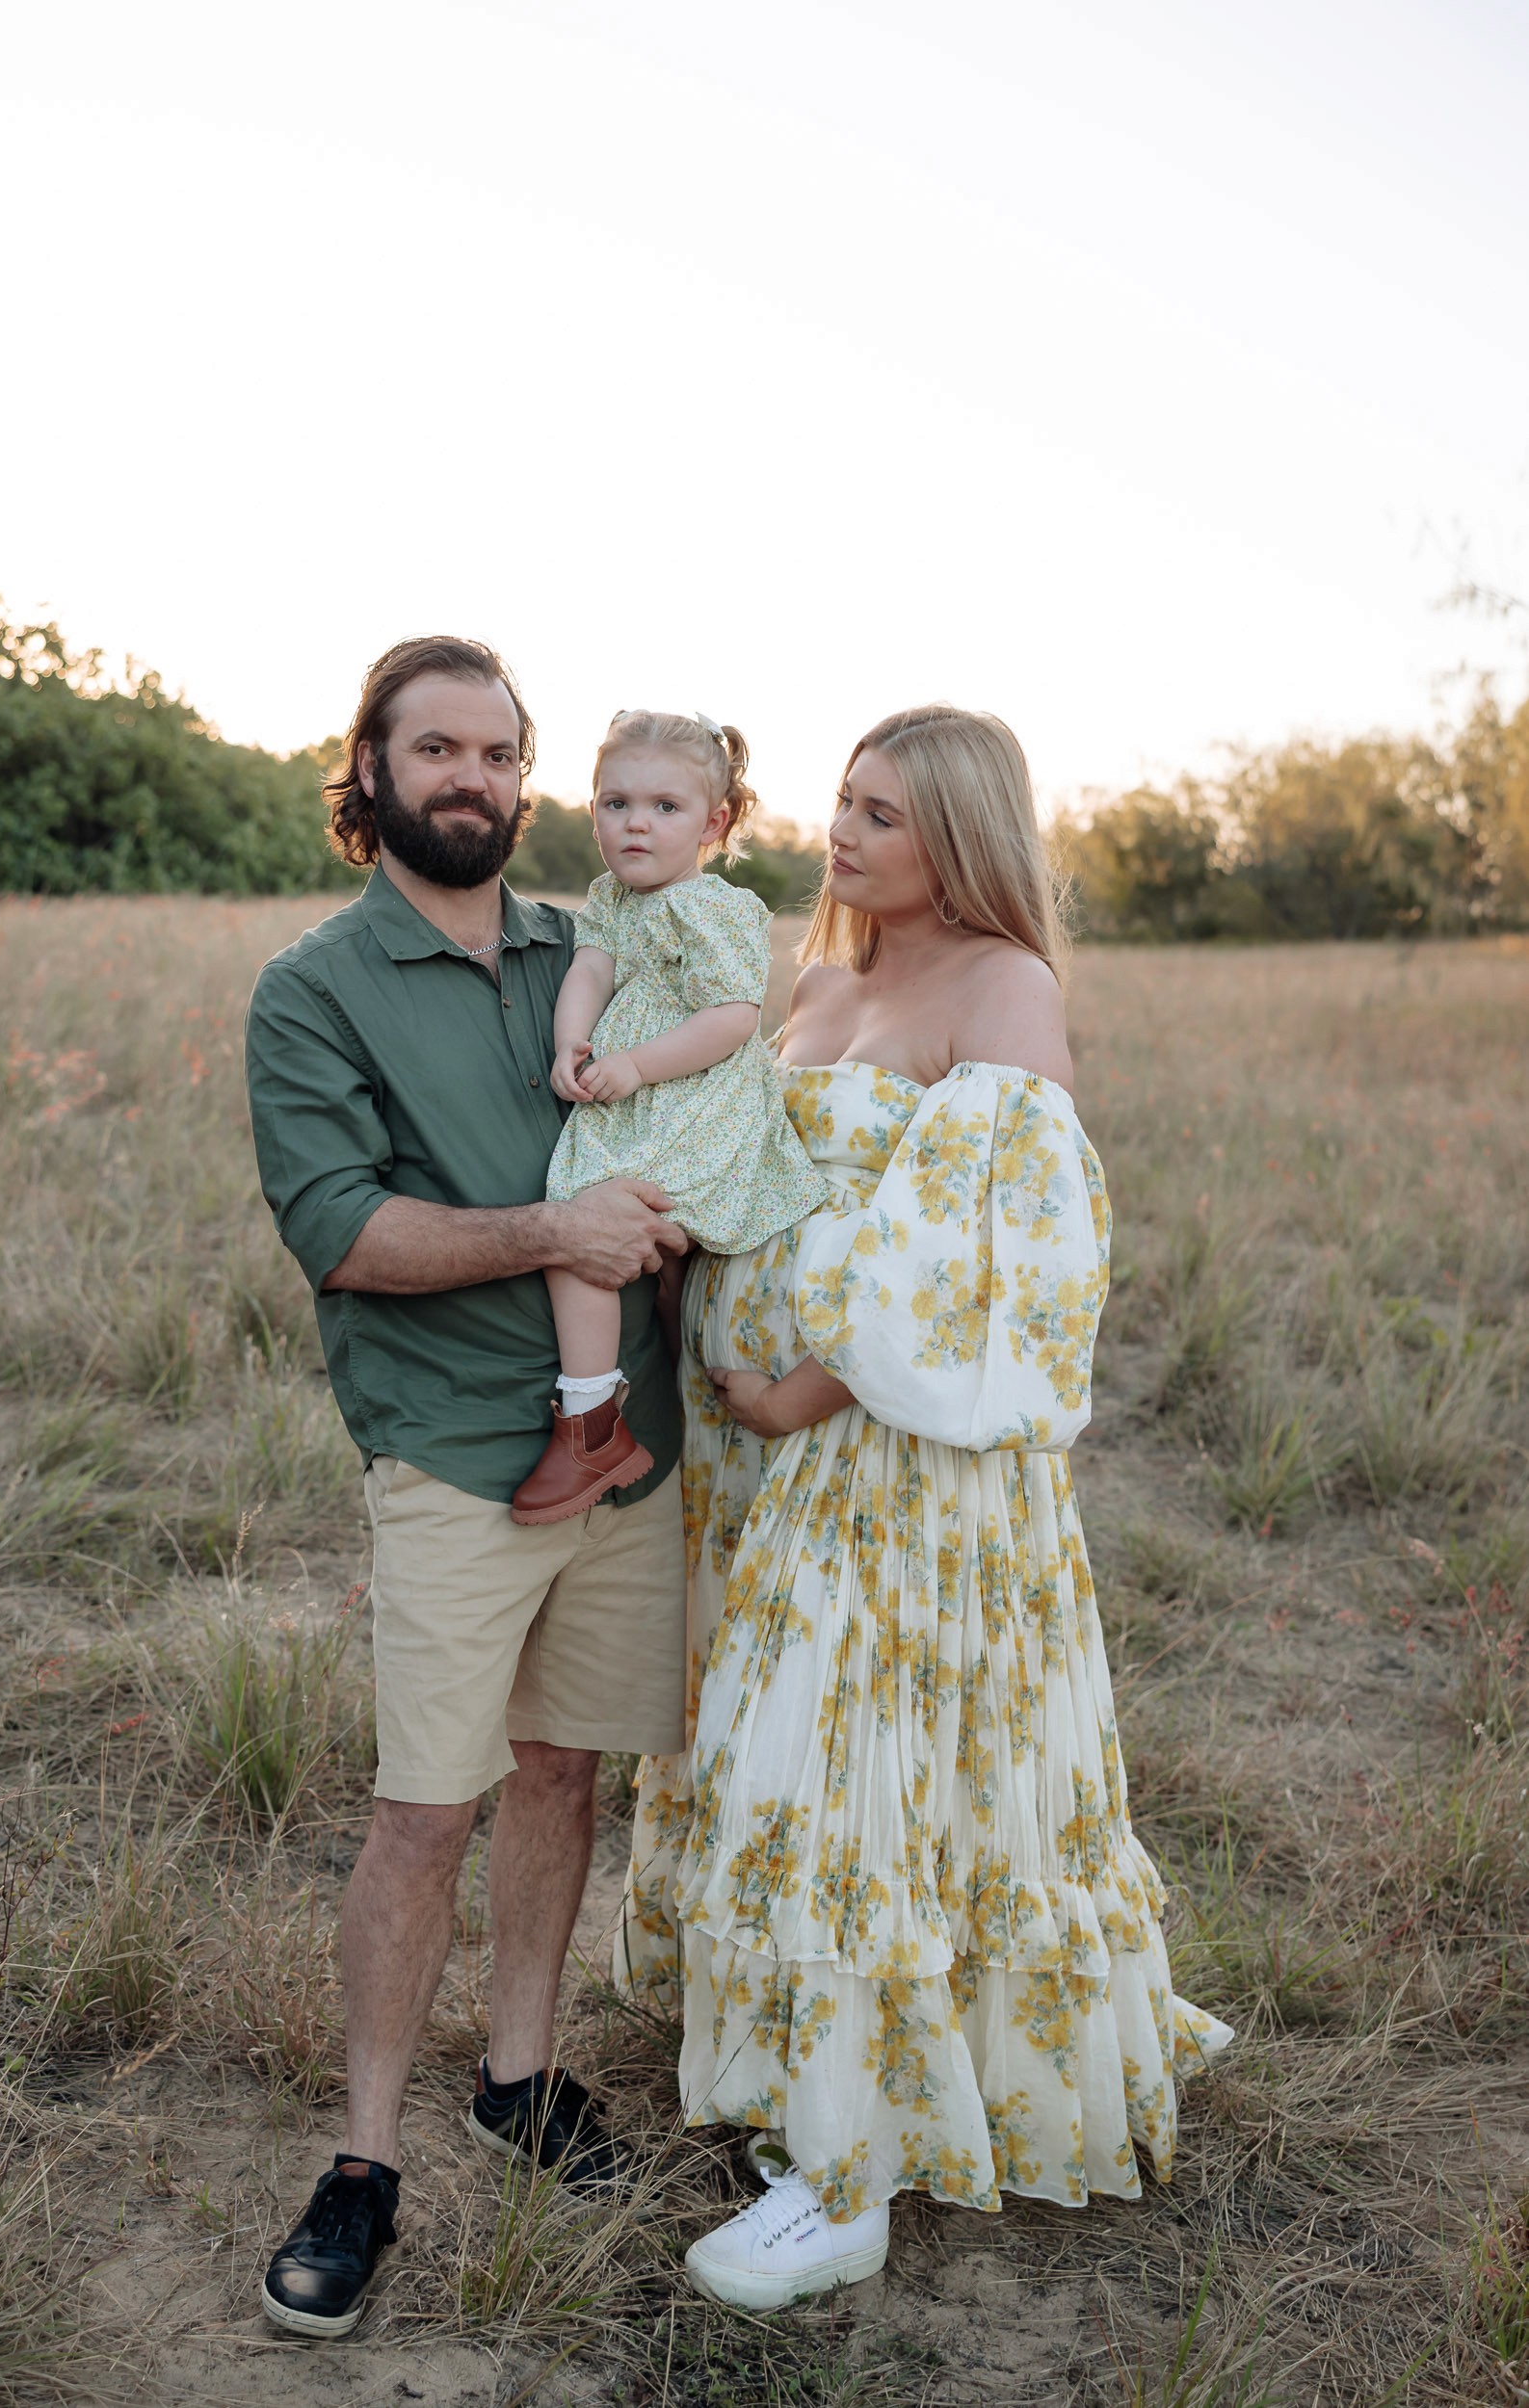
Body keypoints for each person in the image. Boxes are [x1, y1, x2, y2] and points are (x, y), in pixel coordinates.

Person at [617, 703, 1234, 2312]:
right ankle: (824, 2084)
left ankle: (844, 2181)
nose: (840, 833)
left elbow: (992, 1265)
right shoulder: (818, 986)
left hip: (901, 1476)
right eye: (839, 802)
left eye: (880, 815)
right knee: (787, 1763)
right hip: (758, 1467)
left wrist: (802, 1385)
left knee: (839, 1778)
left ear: (956, 836)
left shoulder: (1002, 988)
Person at [244, 637, 690, 2340]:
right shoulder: (313, 987)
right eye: (438, 749)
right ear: (367, 767)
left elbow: (708, 1108)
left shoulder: (597, 947)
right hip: (451, 1455)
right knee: (428, 1809)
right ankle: (362, 2163)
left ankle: (519, 2077)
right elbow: (343, 1232)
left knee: (562, 1773)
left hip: (629, 1450)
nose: (474, 781)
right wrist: (551, 1234)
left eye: (501, 755)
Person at [512, 709, 829, 1524]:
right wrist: (572, 1044)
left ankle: (589, 1423)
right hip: (635, 1098)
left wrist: (635, 1064)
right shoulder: (612, 899)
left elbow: (731, 1018)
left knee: (583, 1223)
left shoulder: (713, 906)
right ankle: (634, 1394)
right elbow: (588, 968)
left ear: (713, 823)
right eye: (615, 804)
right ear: (592, 813)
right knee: (610, 1236)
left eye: (664, 807)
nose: (635, 825)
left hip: (697, 1100)